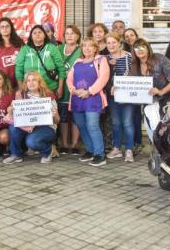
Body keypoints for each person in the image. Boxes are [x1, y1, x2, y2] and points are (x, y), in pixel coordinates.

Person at [66, 37, 110, 166]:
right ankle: (90, 150)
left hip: (93, 98)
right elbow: (69, 78)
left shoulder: (101, 60)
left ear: (96, 48)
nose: (87, 48)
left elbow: (103, 78)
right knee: (81, 125)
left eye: (90, 46)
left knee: (92, 125)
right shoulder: (77, 62)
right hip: (77, 99)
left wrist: (89, 91)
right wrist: (72, 89)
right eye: (84, 46)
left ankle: (100, 154)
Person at [3, 71, 61, 164]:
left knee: (31, 141)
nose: (31, 83)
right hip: (27, 126)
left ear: (39, 82)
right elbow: (16, 114)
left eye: (34, 80)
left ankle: (48, 151)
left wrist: (55, 115)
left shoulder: (48, 95)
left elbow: (57, 121)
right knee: (13, 128)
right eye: (28, 81)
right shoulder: (21, 94)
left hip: (46, 128)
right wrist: (11, 110)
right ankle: (16, 154)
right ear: (25, 83)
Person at [105, 33, 135, 162]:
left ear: (120, 43)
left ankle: (129, 150)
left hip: (127, 94)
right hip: (113, 95)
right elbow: (104, 78)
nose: (111, 45)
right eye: (109, 43)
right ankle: (116, 148)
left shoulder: (129, 56)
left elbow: (134, 74)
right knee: (116, 122)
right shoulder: (105, 58)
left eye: (114, 42)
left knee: (128, 122)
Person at [15, 24, 66, 97]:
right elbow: (18, 70)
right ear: (31, 37)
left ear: (44, 35)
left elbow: (61, 69)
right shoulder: (24, 49)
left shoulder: (52, 48)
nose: (37, 34)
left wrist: (60, 88)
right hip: (29, 91)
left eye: (40, 32)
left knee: (52, 108)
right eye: (34, 33)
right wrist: (21, 88)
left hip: (50, 89)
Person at [131, 38, 170, 111]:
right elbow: (128, 83)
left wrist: (161, 91)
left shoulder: (160, 58)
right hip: (148, 104)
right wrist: (118, 88)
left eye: (142, 47)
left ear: (148, 48)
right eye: (136, 48)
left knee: (165, 122)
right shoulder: (134, 65)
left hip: (165, 103)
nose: (139, 50)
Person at [57, 25, 82, 155]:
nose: (70, 36)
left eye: (73, 33)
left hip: (77, 89)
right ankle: (65, 144)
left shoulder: (81, 50)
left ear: (78, 36)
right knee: (63, 117)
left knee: (75, 118)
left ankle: (75, 144)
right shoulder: (58, 48)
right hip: (62, 88)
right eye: (67, 33)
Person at [0, 17, 23, 89]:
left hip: (21, 82)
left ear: (11, 28)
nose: (5, 28)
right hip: (4, 85)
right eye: (2, 27)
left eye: (7, 26)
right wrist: (1, 83)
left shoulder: (20, 43)